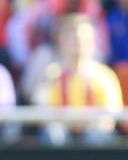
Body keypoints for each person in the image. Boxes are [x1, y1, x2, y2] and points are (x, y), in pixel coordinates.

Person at [33, 13, 121, 144]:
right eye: (72, 38)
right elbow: (42, 112)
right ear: (60, 41)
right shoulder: (49, 75)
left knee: (98, 136)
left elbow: (110, 118)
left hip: (94, 135)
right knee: (54, 135)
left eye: (83, 39)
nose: (78, 43)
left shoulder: (105, 75)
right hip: (61, 136)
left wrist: (86, 125)